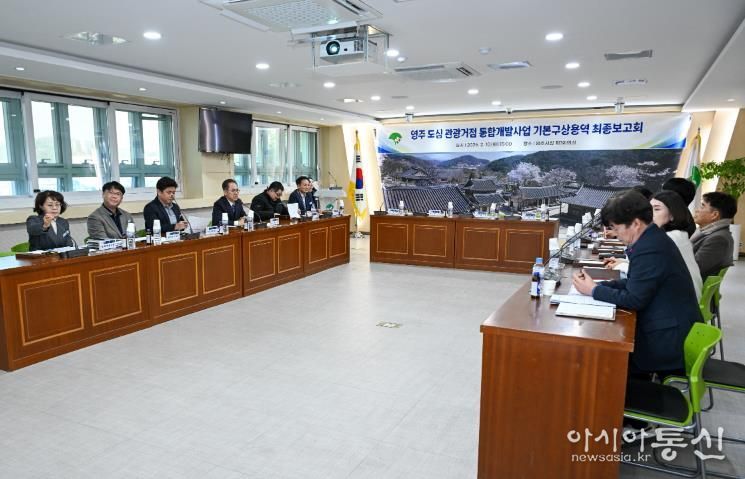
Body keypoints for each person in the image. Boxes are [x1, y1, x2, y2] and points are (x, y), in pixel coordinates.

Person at [573, 190, 699, 376]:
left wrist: (593, 291)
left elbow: (634, 299)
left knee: (606, 366)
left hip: (666, 342)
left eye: (616, 228)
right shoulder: (652, 238)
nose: (615, 234)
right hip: (668, 327)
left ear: (636, 223)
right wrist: (599, 286)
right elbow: (635, 282)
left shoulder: (650, 248)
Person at [650, 191, 702, 299]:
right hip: (685, 296)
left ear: (672, 215)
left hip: (681, 300)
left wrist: (621, 265)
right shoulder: (678, 235)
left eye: (656, 209)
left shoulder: (671, 238)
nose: (650, 214)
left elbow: (647, 271)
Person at [691, 191, 737, 279]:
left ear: (714, 215)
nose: (697, 210)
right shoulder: (712, 232)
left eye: (702, 206)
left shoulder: (718, 239)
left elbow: (692, 269)